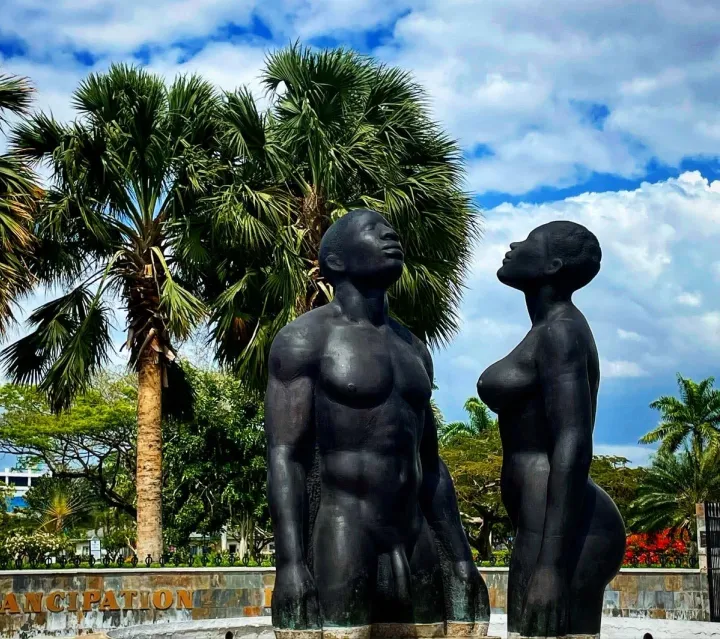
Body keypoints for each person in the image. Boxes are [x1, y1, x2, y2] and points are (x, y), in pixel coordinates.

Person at [265, 209, 490, 639]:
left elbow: (431, 462)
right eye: (372, 229)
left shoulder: (414, 348)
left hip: (415, 532)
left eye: (390, 227)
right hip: (346, 529)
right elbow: (284, 457)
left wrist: (461, 556)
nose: (390, 235)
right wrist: (290, 565)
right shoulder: (304, 339)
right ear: (335, 260)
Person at [476, 221, 625, 638]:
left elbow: (573, 440)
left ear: (552, 264)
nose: (513, 245)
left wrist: (550, 568)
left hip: (566, 533)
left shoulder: (561, 331)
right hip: (542, 520)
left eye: (528, 242)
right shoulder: (547, 330)